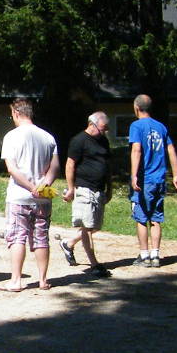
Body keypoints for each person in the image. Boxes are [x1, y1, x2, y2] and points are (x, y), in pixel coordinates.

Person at [0, 98, 60, 291]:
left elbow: (12, 168)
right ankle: (43, 280)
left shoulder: (11, 136)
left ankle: (16, 280)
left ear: (16, 113)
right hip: (42, 197)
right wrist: (43, 185)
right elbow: (55, 166)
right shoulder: (48, 137)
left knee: (17, 237)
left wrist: (29, 186)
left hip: (19, 195)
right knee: (41, 237)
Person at [128, 94, 177, 268]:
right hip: (159, 179)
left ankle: (144, 255)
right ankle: (156, 255)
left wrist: (134, 174)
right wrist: (176, 174)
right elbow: (171, 149)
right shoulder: (161, 127)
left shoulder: (136, 126)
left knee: (141, 217)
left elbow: (136, 149)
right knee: (156, 218)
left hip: (145, 180)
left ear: (136, 108)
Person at [62, 111, 111, 273]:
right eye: (103, 128)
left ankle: (68, 244)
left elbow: (107, 165)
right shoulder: (79, 141)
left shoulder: (103, 141)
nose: (105, 132)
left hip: (99, 190)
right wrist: (71, 188)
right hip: (83, 188)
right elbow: (70, 165)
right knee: (87, 226)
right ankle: (94, 264)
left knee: (94, 226)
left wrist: (109, 188)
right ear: (92, 124)